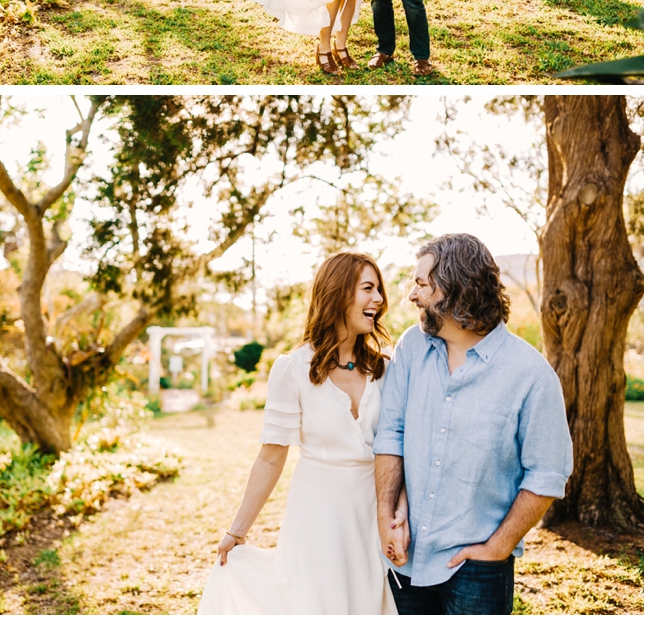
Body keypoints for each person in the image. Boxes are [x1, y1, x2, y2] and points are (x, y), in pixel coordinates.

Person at [374, 233, 573, 615]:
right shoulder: (411, 347)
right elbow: (391, 435)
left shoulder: (531, 375)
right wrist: (386, 516)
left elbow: (547, 474)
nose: (411, 296)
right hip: (404, 557)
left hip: (479, 569)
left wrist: (497, 548)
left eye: (420, 284)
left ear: (455, 288)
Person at [198, 251, 405, 615]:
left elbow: (400, 448)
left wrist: (397, 512)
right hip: (317, 513)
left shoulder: (386, 368)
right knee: (318, 604)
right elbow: (271, 456)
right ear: (339, 293)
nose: (379, 300)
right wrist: (237, 530)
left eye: (379, 291)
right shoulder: (293, 369)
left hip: (373, 508)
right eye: (368, 289)